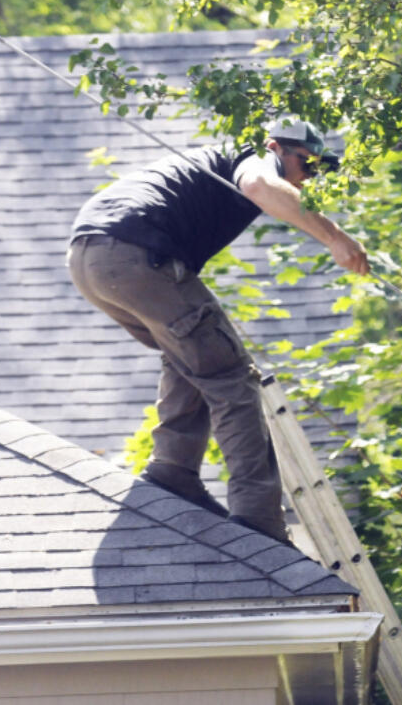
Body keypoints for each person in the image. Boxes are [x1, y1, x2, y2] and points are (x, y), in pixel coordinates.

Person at [67, 117, 369, 543]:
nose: (308, 177)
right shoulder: (254, 159)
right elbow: (260, 187)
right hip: (134, 254)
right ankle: (260, 519)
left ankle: (173, 470)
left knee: (194, 355)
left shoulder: (219, 160)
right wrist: (336, 238)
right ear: (277, 147)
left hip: (90, 261)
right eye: (307, 164)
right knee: (230, 376)